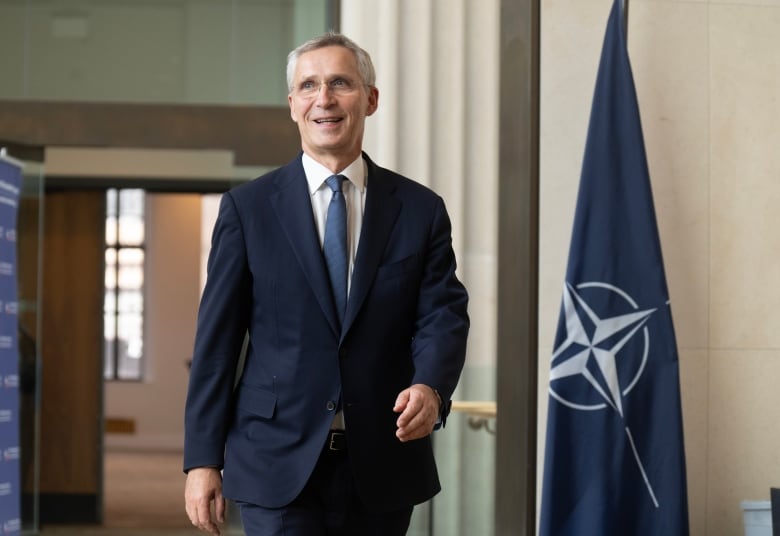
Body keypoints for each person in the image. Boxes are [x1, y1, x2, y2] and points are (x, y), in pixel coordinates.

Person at [183, 32, 469, 536]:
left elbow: (441, 316)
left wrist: (430, 386)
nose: (325, 99)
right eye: (309, 85)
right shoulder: (248, 210)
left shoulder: (420, 211)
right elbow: (217, 345)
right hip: (275, 462)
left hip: (382, 461)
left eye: (341, 83)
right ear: (292, 105)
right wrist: (202, 460)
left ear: (371, 99)